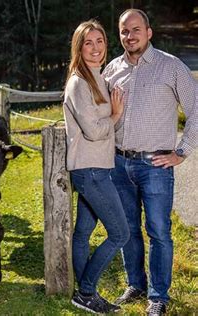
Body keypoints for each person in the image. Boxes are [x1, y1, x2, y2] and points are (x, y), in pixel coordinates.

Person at [102, 9, 198, 316]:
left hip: (156, 166)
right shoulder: (111, 70)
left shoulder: (171, 67)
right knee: (126, 229)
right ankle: (135, 284)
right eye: (124, 31)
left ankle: (158, 296)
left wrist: (182, 152)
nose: (130, 36)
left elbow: (196, 108)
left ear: (149, 32)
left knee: (158, 230)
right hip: (118, 164)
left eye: (135, 29)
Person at [63, 19, 130, 314]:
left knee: (82, 233)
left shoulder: (97, 78)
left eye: (99, 41)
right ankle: (87, 291)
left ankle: (82, 292)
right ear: (79, 48)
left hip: (97, 167)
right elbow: (92, 129)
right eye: (88, 42)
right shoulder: (79, 81)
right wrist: (115, 116)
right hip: (90, 171)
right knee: (120, 234)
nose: (95, 48)